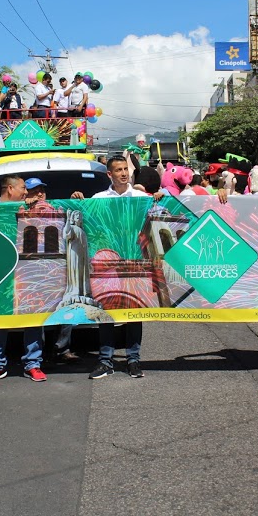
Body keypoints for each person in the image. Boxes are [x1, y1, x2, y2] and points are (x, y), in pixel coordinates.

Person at [73, 156, 149, 379]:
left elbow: (159, 213)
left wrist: (160, 197)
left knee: (134, 313)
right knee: (106, 312)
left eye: (126, 169)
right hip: (107, 264)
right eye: (118, 170)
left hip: (134, 261)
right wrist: (78, 200)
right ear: (109, 174)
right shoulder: (98, 199)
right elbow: (88, 222)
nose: (124, 173)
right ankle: (105, 361)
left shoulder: (141, 197)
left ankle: (133, 360)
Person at [0, 175, 48, 383]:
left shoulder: (29, 207)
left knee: (32, 316)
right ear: (10, 189)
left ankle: (33, 364)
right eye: (22, 188)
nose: (26, 192)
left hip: (28, 270)